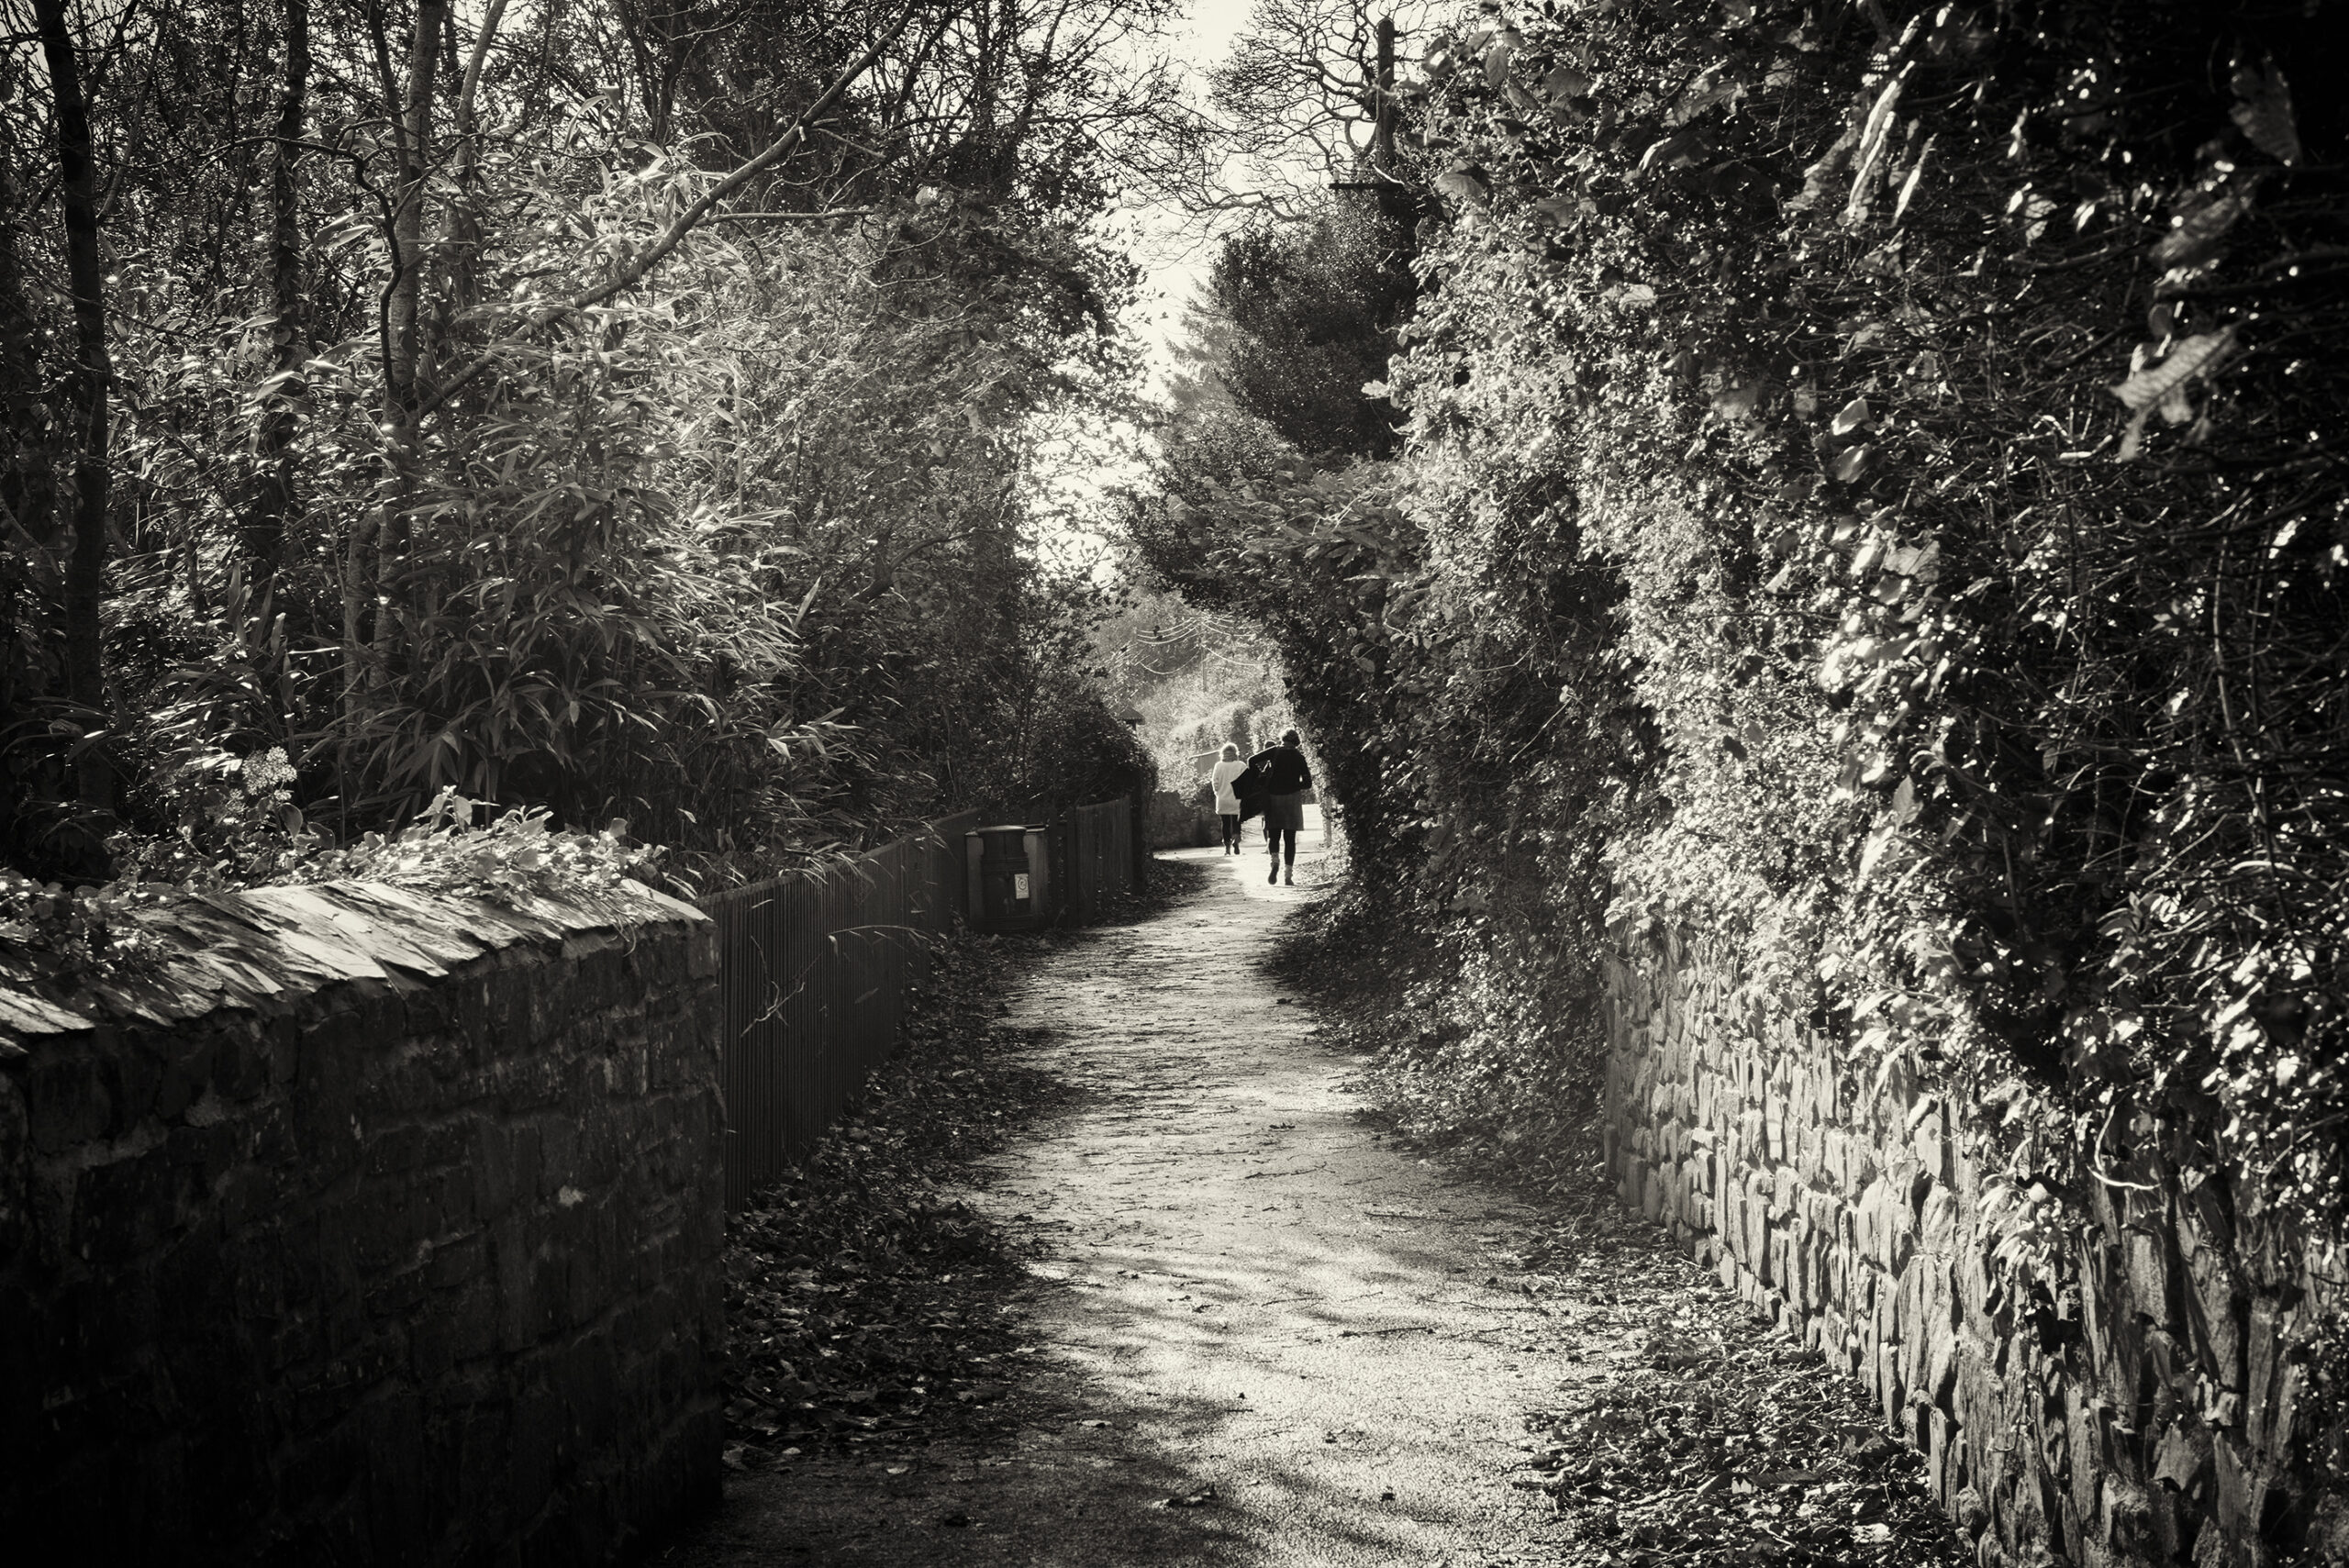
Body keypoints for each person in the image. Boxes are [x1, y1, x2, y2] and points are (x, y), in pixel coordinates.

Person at [1249, 729, 1312, 885]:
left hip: (1273, 797)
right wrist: (1295, 784)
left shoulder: (1274, 751)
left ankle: (1275, 862)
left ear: (1282, 739)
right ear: (1297, 742)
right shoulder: (1299, 757)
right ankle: (1288, 875)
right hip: (1292, 799)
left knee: (1274, 834)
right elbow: (1308, 783)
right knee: (1290, 839)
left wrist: (1262, 778)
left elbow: (1251, 760)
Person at [1208, 743, 1250, 854]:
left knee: (1225, 823)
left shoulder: (1218, 765)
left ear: (1222, 754)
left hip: (1223, 798)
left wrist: (1218, 793)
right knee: (1237, 821)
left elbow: (1215, 782)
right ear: (1235, 754)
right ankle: (1236, 839)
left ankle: (1227, 848)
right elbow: (1247, 781)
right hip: (1237, 799)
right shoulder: (1241, 765)